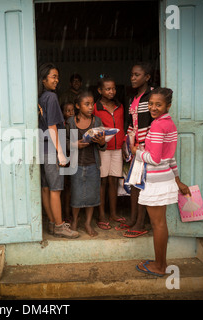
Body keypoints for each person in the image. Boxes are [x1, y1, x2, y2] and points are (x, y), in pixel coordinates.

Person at [132, 87, 191, 276]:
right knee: (161, 224)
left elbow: (156, 159)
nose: (153, 107)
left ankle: (159, 266)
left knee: (158, 225)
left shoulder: (158, 125)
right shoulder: (169, 123)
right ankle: (161, 263)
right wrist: (177, 180)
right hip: (165, 179)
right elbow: (170, 157)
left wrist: (137, 152)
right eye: (150, 104)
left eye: (158, 104)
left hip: (156, 181)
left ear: (168, 106)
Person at [38, 63, 79, 239]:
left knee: (46, 188)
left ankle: (52, 223)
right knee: (56, 189)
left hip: (42, 147)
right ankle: (60, 226)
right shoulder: (52, 97)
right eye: (53, 76)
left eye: (57, 76)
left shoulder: (40, 98)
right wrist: (60, 153)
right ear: (44, 79)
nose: (57, 80)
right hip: (52, 148)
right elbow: (52, 126)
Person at [118, 62, 155, 238]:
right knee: (133, 185)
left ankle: (141, 223)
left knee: (141, 186)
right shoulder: (133, 99)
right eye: (132, 74)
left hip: (145, 149)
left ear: (147, 77)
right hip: (134, 149)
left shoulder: (152, 96)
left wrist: (144, 146)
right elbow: (131, 124)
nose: (132, 78)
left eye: (137, 75)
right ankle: (133, 219)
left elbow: (153, 123)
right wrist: (129, 146)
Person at [65, 91, 107, 237]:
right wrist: (75, 144)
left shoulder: (97, 122)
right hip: (76, 165)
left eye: (92, 104)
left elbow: (103, 147)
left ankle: (88, 223)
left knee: (92, 196)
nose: (90, 107)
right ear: (78, 105)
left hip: (92, 163)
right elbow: (64, 143)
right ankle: (75, 221)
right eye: (86, 104)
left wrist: (102, 142)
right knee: (76, 195)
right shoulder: (71, 122)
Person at [93, 76, 125, 230]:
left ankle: (113, 213)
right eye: (107, 89)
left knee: (114, 180)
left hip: (118, 149)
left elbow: (123, 125)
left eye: (113, 88)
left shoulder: (120, 106)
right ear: (100, 90)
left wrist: (124, 145)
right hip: (103, 149)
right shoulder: (95, 108)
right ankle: (101, 215)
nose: (112, 91)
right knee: (102, 181)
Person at [60, 102, 75, 223]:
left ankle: (70, 213)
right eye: (67, 110)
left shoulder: (75, 123)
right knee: (66, 188)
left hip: (73, 158)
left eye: (72, 110)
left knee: (72, 187)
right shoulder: (61, 125)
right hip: (65, 159)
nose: (70, 113)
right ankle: (66, 213)